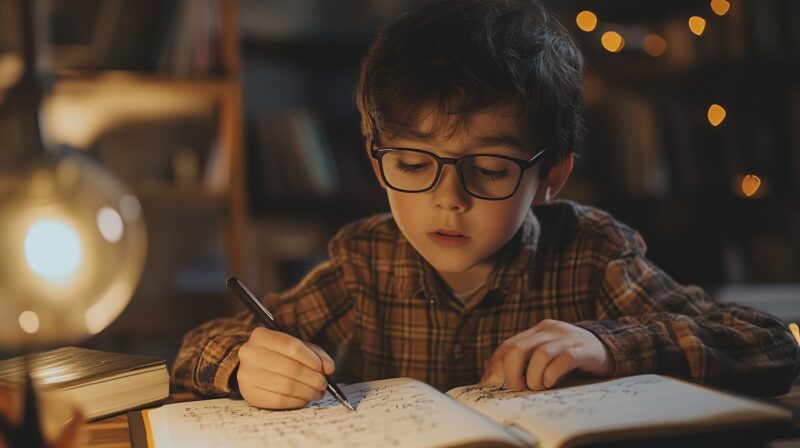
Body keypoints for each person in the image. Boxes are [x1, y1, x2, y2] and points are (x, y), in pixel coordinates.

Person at [173, 0, 799, 409]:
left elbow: (768, 344)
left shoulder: (592, 255)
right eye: (414, 165)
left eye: (491, 170)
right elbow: (198, 347)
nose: (448, 199)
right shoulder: (364, 265)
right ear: (377, 164)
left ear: (551, 176)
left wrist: (607, 348)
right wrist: (240, 365)